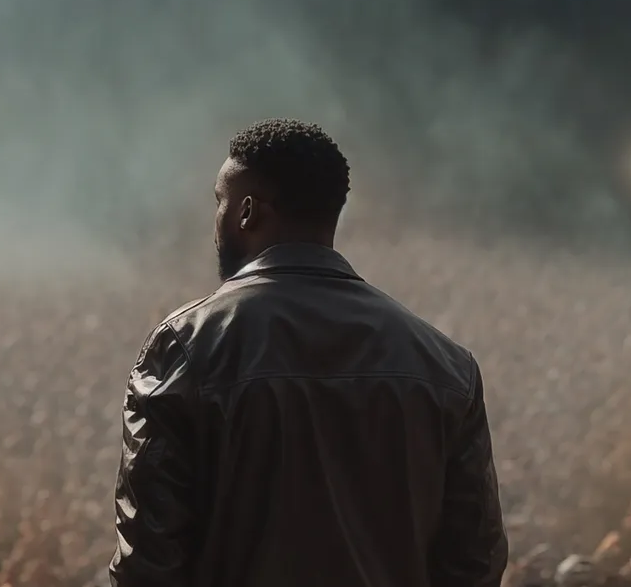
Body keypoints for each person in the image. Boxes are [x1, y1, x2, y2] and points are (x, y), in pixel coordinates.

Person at [109, 118, 508, 587]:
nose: (216, 221)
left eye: (221, 202)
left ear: (248, 211)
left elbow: (149, 561)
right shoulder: (444, 365)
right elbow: (475, 561)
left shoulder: (183, 348)